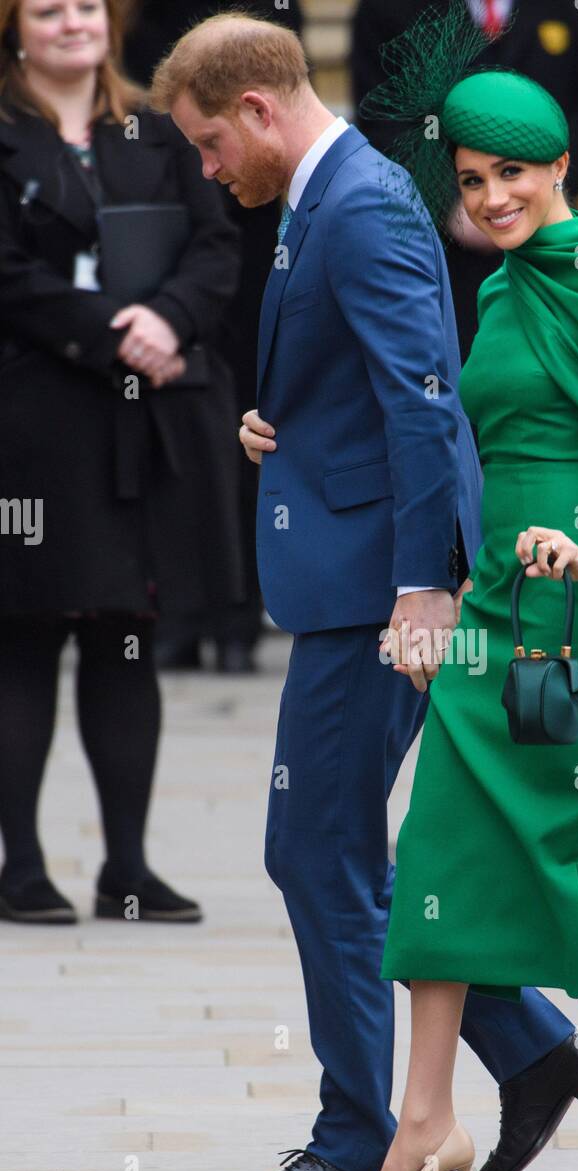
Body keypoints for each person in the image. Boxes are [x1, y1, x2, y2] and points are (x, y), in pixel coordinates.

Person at [149, 11, 578, 1171]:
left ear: (254, 109)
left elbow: (425, 400)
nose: (206, 170)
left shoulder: (355, 204)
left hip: (375, 598)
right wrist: (279, 431)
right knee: (337, 849)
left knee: (317, 851)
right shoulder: (330, 192)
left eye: (204, 144)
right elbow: (368, 385)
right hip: (348, 572)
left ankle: (359, 1136)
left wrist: (422, 586)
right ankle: (528, 1043)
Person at [315, 13, 578, 1171]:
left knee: (571, 864)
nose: (489, 197)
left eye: (510, 175)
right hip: (493, 605)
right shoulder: (497, 287)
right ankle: (424, 1125)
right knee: (435, 847)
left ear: (555, 168)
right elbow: (447, 434)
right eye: (472, 178)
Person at [0, 0, 244, 925]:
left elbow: (217, 242)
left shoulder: (155, 124)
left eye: (88, 7)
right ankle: (19, 865)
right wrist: (110, 335)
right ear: (14, 27)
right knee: (24, 630)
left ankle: (128, 869)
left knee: (123, 629)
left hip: (147, 420)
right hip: (34, 416)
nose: (73, 23)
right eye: (49, 9)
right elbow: (8, 274)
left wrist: (169, 318)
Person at [123, 0, 308, 674]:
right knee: (186, 438)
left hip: (257, 241)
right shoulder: (148, 24)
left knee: (259, 421)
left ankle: (238, 611)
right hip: (172, 248)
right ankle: (182, 610)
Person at [352, 0, 578, 359]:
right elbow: (380, 114)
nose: (496, 198)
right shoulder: (388, 9)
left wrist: (544, 192)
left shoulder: (572, 7)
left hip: (549, 246)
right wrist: (449, 202)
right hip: (436, 251)